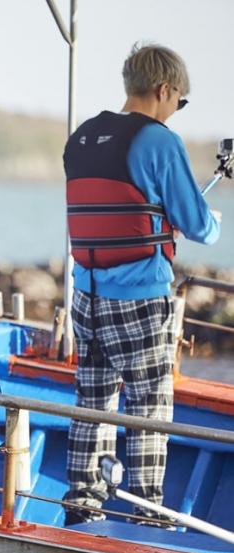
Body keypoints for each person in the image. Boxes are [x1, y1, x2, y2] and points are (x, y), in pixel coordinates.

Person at [62, 44, 221, 525]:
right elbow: (197, 224)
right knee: (149, 403)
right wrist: (208, 220)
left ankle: (82, 505)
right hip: (138, 298)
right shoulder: (158, 140)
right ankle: (147, 510)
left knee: (92, 401)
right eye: (181, 100)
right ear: (164, 89)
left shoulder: (83, 136)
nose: (176, 109)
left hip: (85, 296)